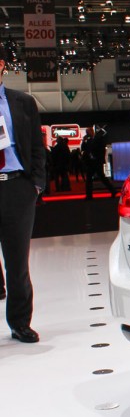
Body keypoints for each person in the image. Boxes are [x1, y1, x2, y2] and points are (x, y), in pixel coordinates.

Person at [0, 45, 46, 343]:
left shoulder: (23, 102)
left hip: (17, 187)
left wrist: (36, 184)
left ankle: (19, 322)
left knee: (17, 262)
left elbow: (37, 147)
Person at [81, 126, 116, 199]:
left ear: (91, 131)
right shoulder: (89, 140)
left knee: (99, 178)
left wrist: (96, 156)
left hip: (96, 161)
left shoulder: (98, 139)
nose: (87, 133)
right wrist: (83, 141)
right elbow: (83, 148)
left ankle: (112, 190)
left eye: (88, 132)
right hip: (92, 162)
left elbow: (100, 149)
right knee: (92, 178)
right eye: (86, 132)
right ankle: (89, 195)